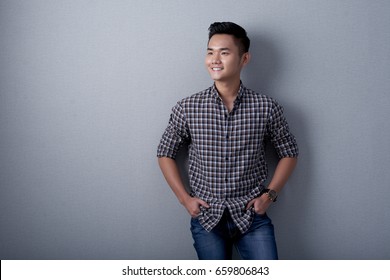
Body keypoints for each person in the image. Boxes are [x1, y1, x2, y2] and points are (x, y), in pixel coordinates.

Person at [157, 22, 299, 260]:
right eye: (210, 52)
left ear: (244, 59)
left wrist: (269, 196)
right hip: (207, 219)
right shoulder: (187, 107)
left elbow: (289, 152)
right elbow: (165, 153)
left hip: (252, 218)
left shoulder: (266, 107)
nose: (215, 59)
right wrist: (185, 200)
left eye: (224, 52)